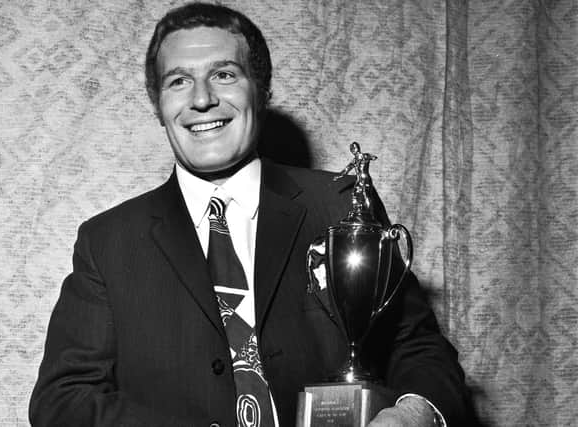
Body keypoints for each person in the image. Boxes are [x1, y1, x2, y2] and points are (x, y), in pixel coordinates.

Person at [29, 3, 475, 426]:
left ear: (261, 91)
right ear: (158, 106)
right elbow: (62, 399)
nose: (202, 99)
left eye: (224, 74)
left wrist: (414, 414)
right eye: (178, 81)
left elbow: (417, 348)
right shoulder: (108, 241)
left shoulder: (340, 203)